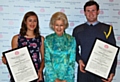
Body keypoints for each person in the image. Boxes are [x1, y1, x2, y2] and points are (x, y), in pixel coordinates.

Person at [72, 1, 117, 82]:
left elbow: (113, 52)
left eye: (93, 10)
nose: (91, 13)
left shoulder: (107, 29)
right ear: (84, 13)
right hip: (84, 71)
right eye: (88, 11)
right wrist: (79, 61)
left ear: (98, 12)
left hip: (101, 72)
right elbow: (73, 49)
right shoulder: (77, 30)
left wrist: (112, 72)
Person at [2, 11, 44, 82]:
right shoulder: (16, 38)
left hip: (36, 74)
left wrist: (40, 71)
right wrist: (6, 61)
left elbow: (43, 58)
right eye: (30, 21)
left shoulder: (41, 39)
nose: (32, 23)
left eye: (35, 21)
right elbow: (14, 59)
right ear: (25, 22)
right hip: (21, 76)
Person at [44, 12, 76, 82]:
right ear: (53, 25)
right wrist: (55, 79)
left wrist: (66, 79)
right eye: (56, 25)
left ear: (65, 26)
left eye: (61, 25)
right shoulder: (48, 39)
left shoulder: (71, 40)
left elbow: (72, 62)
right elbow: (47, 61)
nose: (59, 28)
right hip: (51, 79)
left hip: (67, 79)